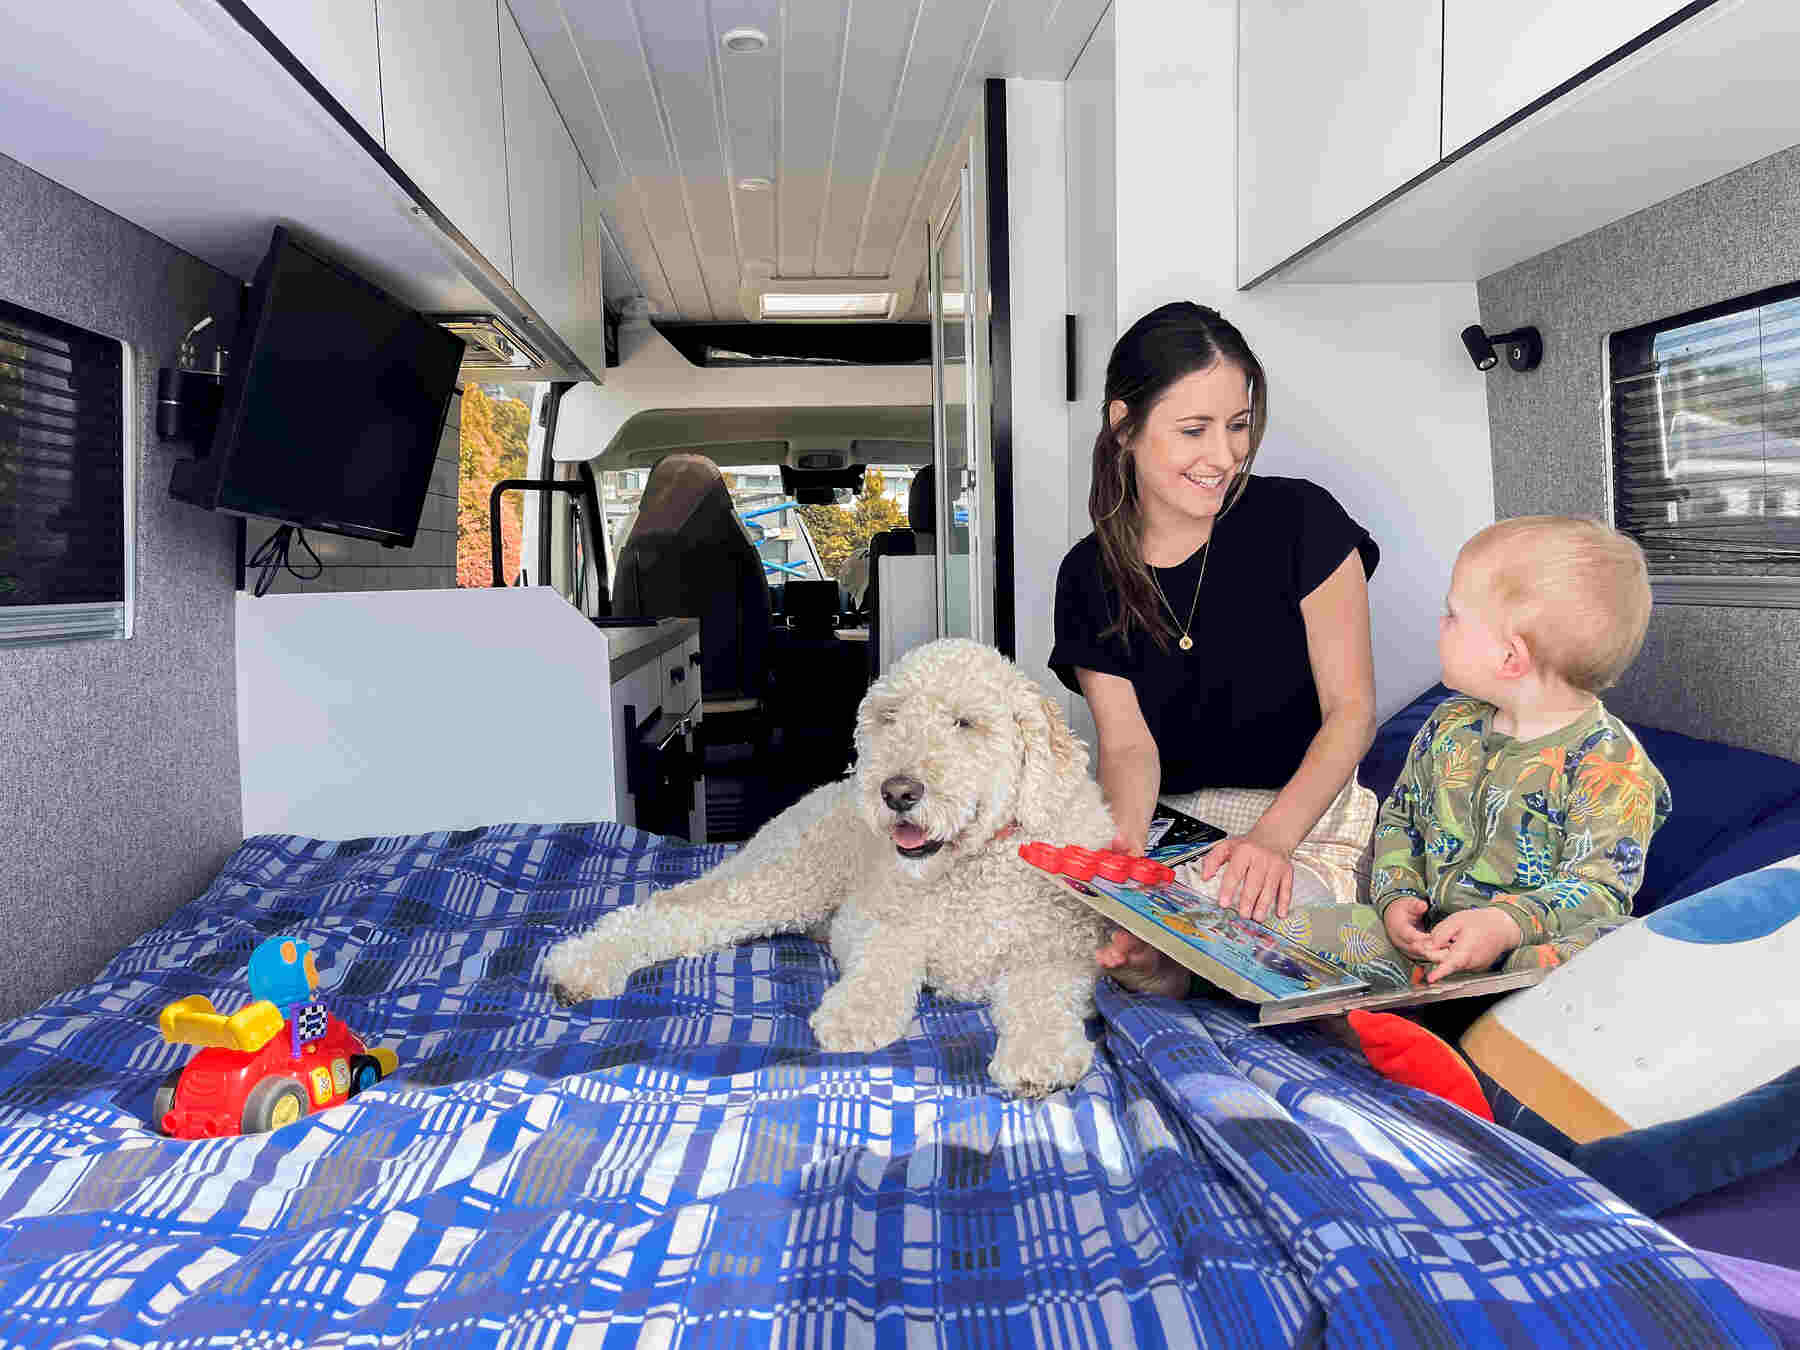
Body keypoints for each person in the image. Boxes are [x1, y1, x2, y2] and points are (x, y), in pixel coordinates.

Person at [1049, 302, 1381, 998]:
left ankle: (1171, 967)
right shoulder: (1087, 574)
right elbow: (1129, 749)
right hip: (1174, 828)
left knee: (1254, 923)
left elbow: (1351, 713)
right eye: (1194, 430)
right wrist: (1122, 863)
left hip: (1303, 818)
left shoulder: (1302, 520)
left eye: (1238, 425)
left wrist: (1271, 842)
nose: (1225, 456)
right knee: (1074, 921)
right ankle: (1161, 957)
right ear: (1124, 427)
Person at [1285, 515, 1672, 991]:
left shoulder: (1611, 764)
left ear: (1510, 657)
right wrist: (1397, 899)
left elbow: (1598, 889)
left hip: (1530, 954)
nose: (1440, 624)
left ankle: (1491, 1016)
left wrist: (1504, 925)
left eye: (1453, 615)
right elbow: (1401, 819)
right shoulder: (1449, 723)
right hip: (1428, 944)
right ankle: (1393, 1010)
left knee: (1609, 944)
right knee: (1296, 932)